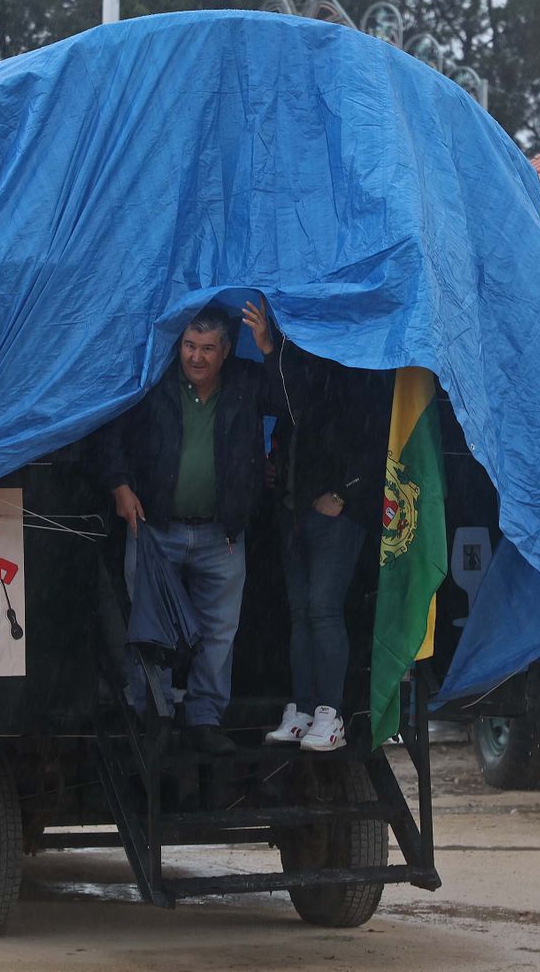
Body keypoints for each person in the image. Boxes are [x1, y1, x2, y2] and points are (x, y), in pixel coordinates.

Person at [93, 301, 283, 755]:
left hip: (223, 533)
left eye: (207, 348)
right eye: (189, 345)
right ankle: (152, 715)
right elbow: (110, 431)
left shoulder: (246, 381)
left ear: (227, 351)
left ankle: (205, 719)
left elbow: (289, 402)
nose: (195, 357)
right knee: (149, 624)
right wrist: (120, 486)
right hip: (156, 527)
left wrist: (268, 349)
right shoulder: (155, 379)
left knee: (220, 631)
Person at [264, 351, 387, 751]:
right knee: (301, 613)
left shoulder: (354, 370)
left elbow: (375, 444)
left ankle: (330, 715)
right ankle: (303, 710)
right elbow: (288, 433)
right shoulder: (296, 372)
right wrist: (277, 470)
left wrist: (342, 495)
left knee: (323, 608)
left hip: (335, 515)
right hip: (294, 511)